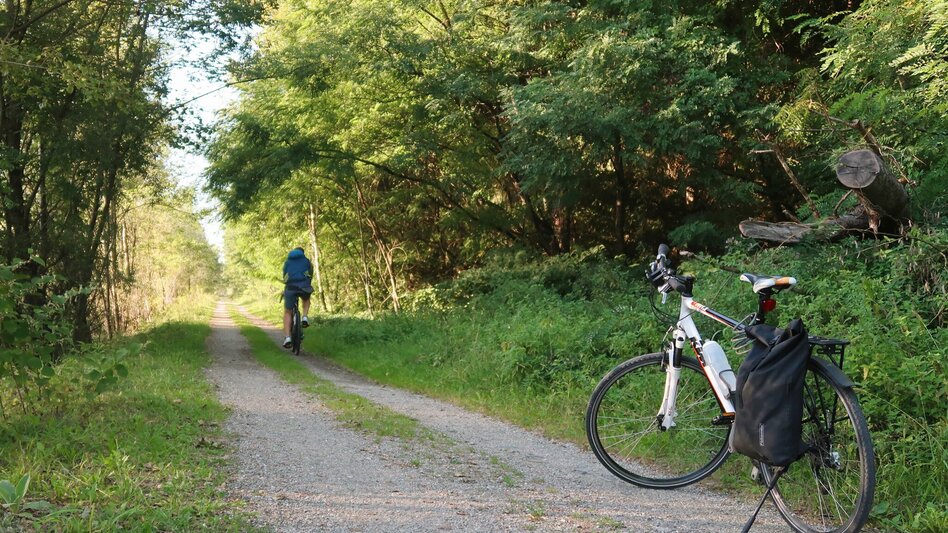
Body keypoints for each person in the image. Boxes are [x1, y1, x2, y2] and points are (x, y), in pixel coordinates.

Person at [282, 247, 314, 348]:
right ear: (302, 253)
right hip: (304, 287)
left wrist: (286, 288)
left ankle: (287, 338)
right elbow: (310, 275)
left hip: (291, 288)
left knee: (288, 312)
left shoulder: (287, 262)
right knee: (306, 299)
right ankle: (304, 317)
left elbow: (285, 277)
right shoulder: (307, 261)